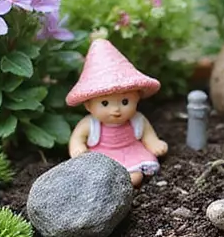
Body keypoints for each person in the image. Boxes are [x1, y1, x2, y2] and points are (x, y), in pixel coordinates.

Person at [66, 38, 168, 186]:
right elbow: (77, 138)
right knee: (96, 173)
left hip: (131, 153)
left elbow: (147, 134)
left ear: (137, 97)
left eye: (125, 102)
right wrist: (77, 147)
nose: (116, 110)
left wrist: (153, 142)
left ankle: (124, 184)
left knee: (135, 176)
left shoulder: (137, 119)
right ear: (88, 106)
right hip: (102, 155)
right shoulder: (91, 124)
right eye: (105, 103)